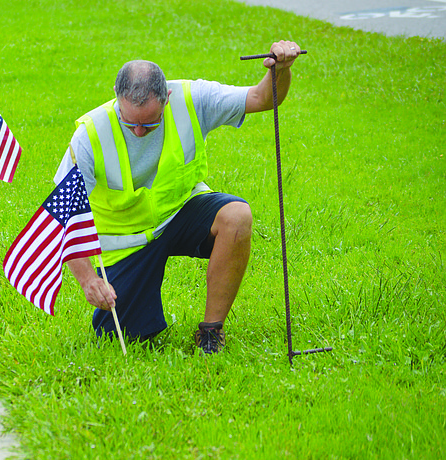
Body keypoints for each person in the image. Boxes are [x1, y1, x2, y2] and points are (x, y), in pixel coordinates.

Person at [53, 41, 301, 354]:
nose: (139, 131)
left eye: (150, 122)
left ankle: (211, 331)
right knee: (122, 338)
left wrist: (280, 70)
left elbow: (262, 97)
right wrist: (89, 279)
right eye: (131, 123)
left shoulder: (191, 98)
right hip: (126, 240)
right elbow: (64, 217)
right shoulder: (89, 135)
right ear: (116, 94)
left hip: (181, 212)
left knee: (237, 216)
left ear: (166, 97)